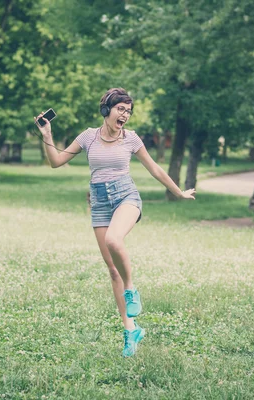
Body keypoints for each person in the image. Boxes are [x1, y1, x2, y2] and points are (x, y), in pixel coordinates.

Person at [34, 88, 196, 357]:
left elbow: (154, 167)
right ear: (106, 109)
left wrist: (177, 191)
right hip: (99, 202)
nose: (125, 115)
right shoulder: (88, 136)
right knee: (112, 270)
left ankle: (131, 289)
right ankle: (130, 330)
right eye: (121, 109)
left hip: (126, 196)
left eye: (128, 111)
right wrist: (47, 136)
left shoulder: (131, 139)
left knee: (113, 240)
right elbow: (56, 162)